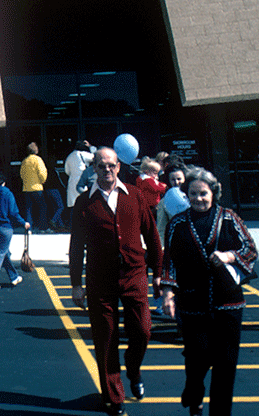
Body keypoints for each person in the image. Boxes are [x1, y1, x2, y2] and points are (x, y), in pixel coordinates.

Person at [69, 147, 163, 415]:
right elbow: (76, 246)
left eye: (111, 165)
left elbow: (152, 235)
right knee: (106, 337)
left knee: (143, 330)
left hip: (134, 274)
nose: (106, 170)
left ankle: (133, 369)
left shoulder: (134, 195)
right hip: (100, 279)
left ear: (119, 166)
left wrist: (158, 272)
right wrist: (76, 283)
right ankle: (114, 395)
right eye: (101, 166)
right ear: (94, 169)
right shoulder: (84, 203)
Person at [161, 168, 257, 416]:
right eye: (193, 194)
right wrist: (168, 294)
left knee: (225, 365)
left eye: (203, 193)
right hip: (193, 303)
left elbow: (250, 248)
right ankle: (194, 393)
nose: (198, 199)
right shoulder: (178, 224)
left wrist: (229, 256)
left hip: (228, 304)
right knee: (197, 359)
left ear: (213, 193)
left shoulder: (229, 218)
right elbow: (169, 260)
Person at [0, 170, 31, 291]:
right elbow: (13, 213)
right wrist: (24, 223)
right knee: (1, 253)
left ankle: (14, 277)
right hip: (5, 228)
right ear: (4, 182)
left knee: (4, 253)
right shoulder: (8, 194)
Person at [20, 142, 47, 231]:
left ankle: (29, 229)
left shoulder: (25, 161)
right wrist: (42, 181)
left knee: (28, 210)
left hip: (27, 188)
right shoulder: (38, 160)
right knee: (42, 208)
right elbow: (42, 173)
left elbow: (22, 174)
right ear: (36, 150)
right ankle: (42, 227)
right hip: (37, 187)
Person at [64, 140, 94, 213]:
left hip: (71, 183)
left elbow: (67, 171)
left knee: (73, 207)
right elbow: (96, 156)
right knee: (84, 205)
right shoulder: (83, 154)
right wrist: (90, 147)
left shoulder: (69, 156)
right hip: (82, 183)